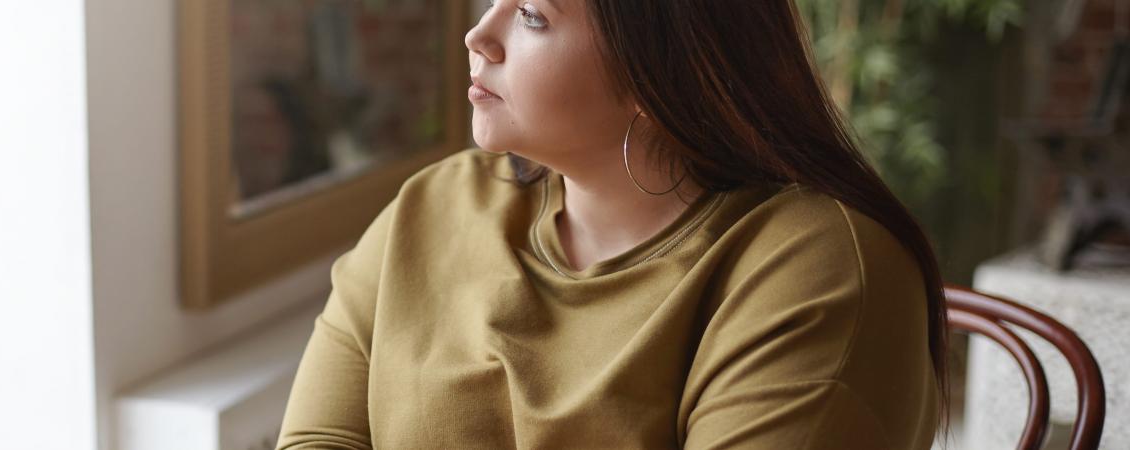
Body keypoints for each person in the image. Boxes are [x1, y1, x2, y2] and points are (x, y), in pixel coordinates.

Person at [276, 1, 949, 448]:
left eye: (533, 16)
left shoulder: (818, 269)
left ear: (661, 70)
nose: (479, 35)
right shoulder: (434, 206)